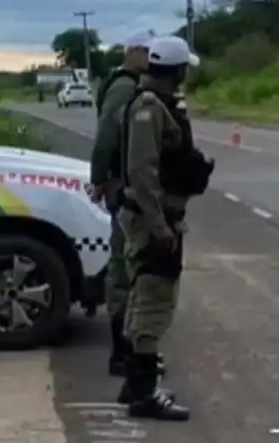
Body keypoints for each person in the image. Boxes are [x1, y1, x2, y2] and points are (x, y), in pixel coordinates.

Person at [115, 35, 214, 421]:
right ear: (175, 70)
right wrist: (159, 227)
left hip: (158, 217)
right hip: (151, 220)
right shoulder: (149, 107)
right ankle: (143, 393)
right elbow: (142, 173)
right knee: (154, 300)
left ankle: (135, 383)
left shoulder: (158, 105)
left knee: (146, 295)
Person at [88, 30, 164, 378]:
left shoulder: (134, 85)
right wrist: (99, 177)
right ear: (131, 52)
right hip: (122, 184)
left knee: (132, 267)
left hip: (124, 182)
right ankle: (122, 353)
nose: (150, 59)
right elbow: (106, 136)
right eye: (145, 52)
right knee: (124, 268)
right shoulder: (124, 88)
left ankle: (129, 350)